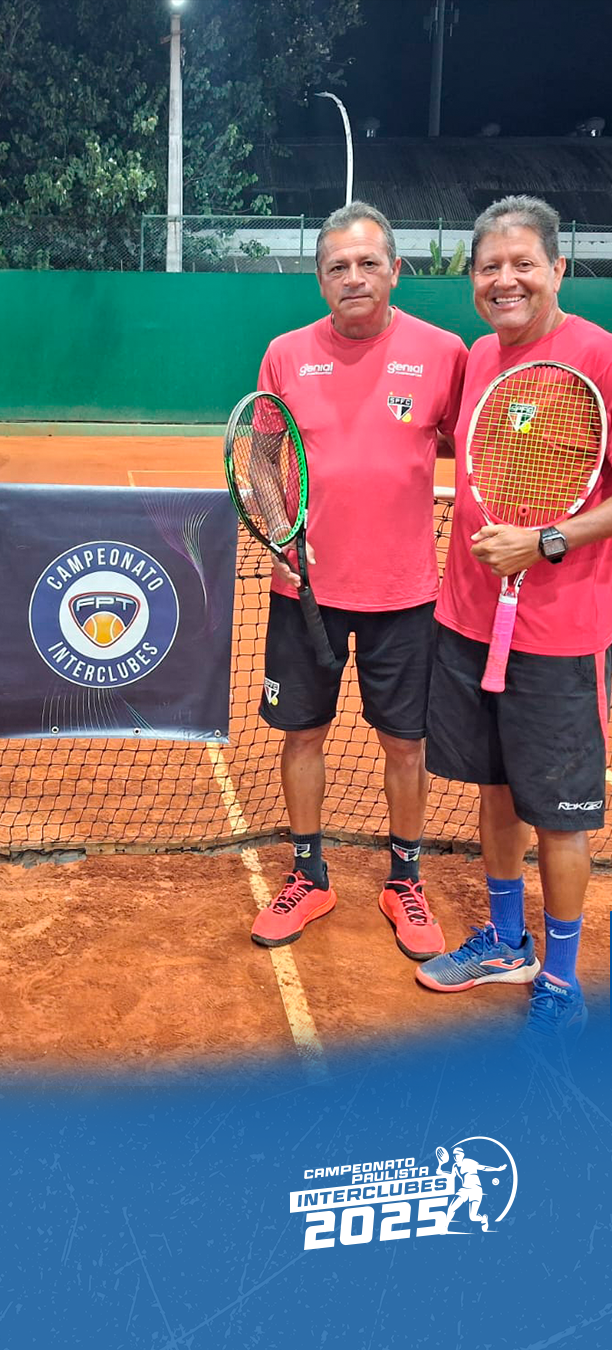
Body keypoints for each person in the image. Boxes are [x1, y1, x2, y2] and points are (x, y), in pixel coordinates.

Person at [249, 201, 468, 961]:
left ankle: (404, 878)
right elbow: (261, 460)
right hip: (304, 593)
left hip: (405, 595)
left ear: (395, 270)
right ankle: (308, 874)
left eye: (369, 263)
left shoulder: (444, 353)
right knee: (303, 734)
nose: (354, 277)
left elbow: (464, 449)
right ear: (320, 280)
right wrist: (280, 532)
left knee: (405, 743)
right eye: (338, 266)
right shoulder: (284, 355)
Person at [417, 195, 612, 1049]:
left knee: (560, 814)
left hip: (558, 634)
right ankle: (506, 940)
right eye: (490, 266)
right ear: (472, 279)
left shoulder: (598, 356)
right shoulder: (477, 359)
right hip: (467, 617)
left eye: (523, 263)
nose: (506, 279)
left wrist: (547, 540)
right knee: (494, 789)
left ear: (558, 269)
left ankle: (562, 979)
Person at [437, 1146, 507, 1233]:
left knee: (473, 1217)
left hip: (476, 1189)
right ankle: (445, 1228)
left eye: (457, 1154)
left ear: (462, 1155)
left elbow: (483, 1168)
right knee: (451, 1208)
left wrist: (497, 1169)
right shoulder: (454, 1166)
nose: (455, 1157)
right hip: (464, 1190)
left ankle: (483, 1219)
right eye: (454, 1155)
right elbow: (451, 1176)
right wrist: (441, 1172)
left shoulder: (469, 1162)